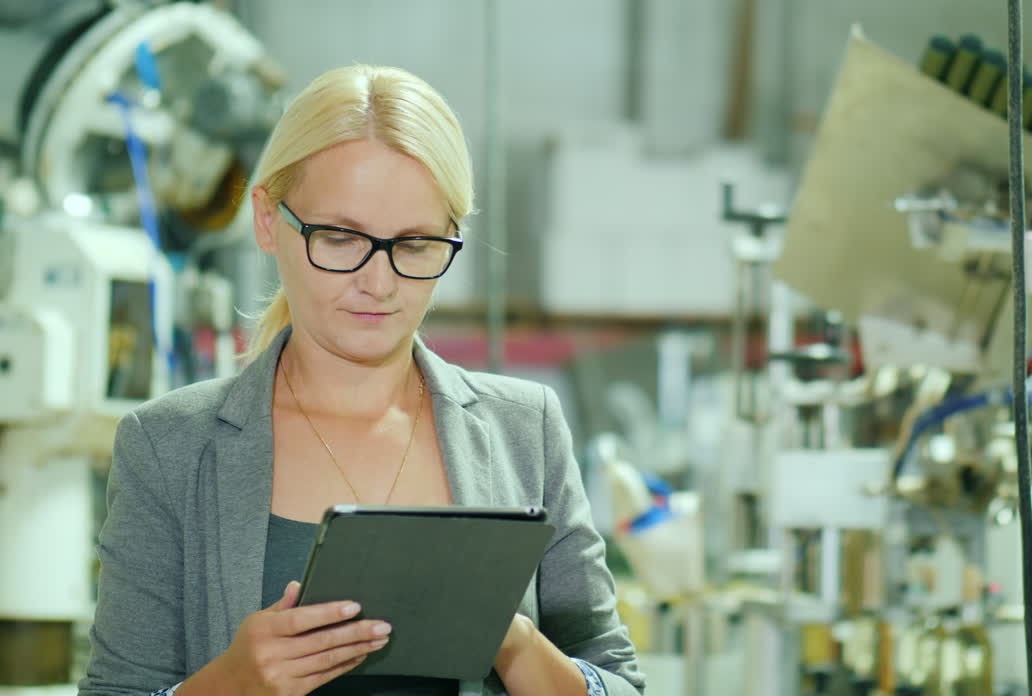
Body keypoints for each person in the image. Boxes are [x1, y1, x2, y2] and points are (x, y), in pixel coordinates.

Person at [79, 64, 645, 696]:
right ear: (268, 220)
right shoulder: (169, 447)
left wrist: (514, 642)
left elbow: (618, 682)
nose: (378, 283)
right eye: (341, 237)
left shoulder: (524, 428)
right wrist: (231, 684)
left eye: (416, 244)